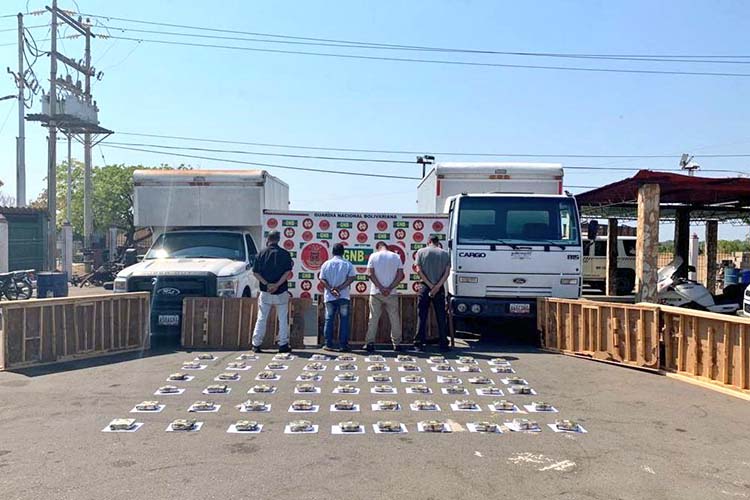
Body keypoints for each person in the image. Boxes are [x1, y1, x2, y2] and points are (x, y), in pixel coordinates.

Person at [251, 230, 293, 353]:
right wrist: (277, 285)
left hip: (265, 291)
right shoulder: (285, 254)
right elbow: (287, 272)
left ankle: (256, 344)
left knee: (262, 318)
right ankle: (283, 344)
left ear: (268, 239)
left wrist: (267, 284)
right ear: (279, 239)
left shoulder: (261, 254)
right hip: (281, 291)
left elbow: (255, 272)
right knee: (282, 319)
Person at [364, 241, 405, 352]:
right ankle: (397, 344)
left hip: (376, 292)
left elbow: (369, 274)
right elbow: (401, 275)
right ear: (387, 247)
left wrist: (381, 287)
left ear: (378, 248)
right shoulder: (396, 257)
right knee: (394, 319)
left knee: (373, 318)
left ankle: (370, 343)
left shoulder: (373, 256)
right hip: (391, 293)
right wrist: (390, 288)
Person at [415, 235, 451, 351]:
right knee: (441, 316)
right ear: (437, 242)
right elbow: (447, 272)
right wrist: (437, 286)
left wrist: (430, 286)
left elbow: (418, 270)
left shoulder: (420, 252)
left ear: (428, 241)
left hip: (425, 287)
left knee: (422, 315)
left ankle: (418, 343)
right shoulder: (445, 253)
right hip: (439, 288)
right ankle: (443, 343)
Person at [319, 243, 356, 352]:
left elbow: (322, 279)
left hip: (330, 296)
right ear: (343, 252)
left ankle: (328, 344)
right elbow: (352, 278)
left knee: (329, 319)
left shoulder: (326, 264)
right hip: (343, 295)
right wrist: (340, 288)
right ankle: (343, 345)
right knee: (344, 320)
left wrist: (331, 289)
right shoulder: (347, 264)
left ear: (332, 252)